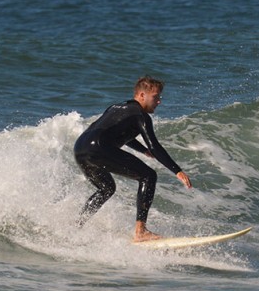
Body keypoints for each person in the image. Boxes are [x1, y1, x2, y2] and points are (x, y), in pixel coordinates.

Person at [74, 76, 192, 242]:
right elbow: (155, 147)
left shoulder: (116, 107)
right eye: (155, 97)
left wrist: (142, 150)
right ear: (142, 95)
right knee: (148, 176)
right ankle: (141, 231)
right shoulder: (141, 115)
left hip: (80, 148)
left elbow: (122, 134)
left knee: (106, 188)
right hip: (99, 147)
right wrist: (177, 171)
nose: (159, 102)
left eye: (159, 97)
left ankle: (76, 226)